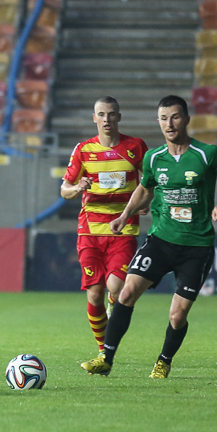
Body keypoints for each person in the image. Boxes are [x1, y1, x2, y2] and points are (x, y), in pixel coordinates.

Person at [81, 95, 217, 379]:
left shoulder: (208, 154)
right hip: (160, 240)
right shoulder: (153, 157)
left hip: (196, 246)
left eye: (174, 117)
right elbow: (145, 189)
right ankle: (106, 358)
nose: (169, 124)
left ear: (186, 119)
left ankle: (164, 360)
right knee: (126, 293)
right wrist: (124, 215)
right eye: (163, 118)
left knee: (177, 315)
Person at [60, 97, 148, 366]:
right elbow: (64, 190)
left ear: (119, 117)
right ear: (94, 118)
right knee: (94, 294)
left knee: (116, 287)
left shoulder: (135, 147)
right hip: (89, 231)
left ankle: (112, 313)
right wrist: (77, 188)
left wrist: (146, 202)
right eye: (101, 114)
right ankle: (103, 351)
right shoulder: (83, 149)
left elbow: (151, 181)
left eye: (111, 114)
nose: (106, 119)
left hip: (123, 229)